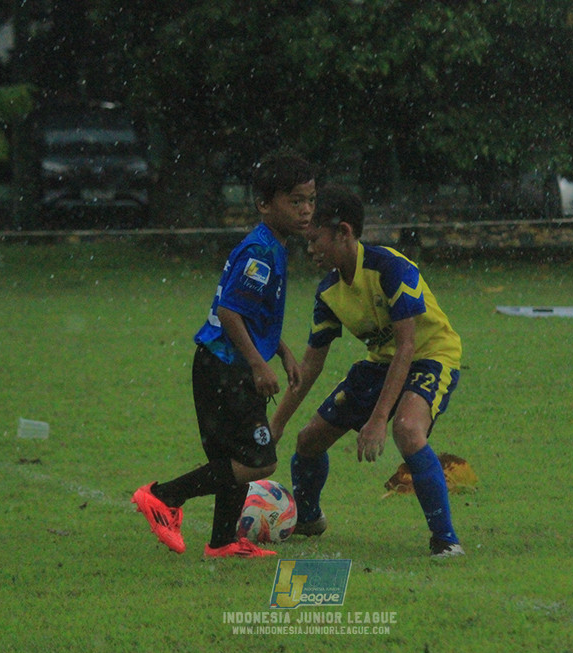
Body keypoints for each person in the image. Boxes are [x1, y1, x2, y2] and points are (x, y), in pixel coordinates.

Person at [132, 149, 316, 558]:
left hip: (221, 364)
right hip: (227, 367)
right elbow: (230, 311)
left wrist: (282, 351)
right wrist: (257, 362)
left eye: (310, 200)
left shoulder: (272, 245)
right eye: (295, 201)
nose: (306, 211)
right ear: (265, 204)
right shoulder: (262, 252)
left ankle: (223, 541)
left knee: (230, 457)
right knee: (259, 460)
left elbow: (253, 314)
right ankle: (164, 497)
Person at [269, 184, 464, 558]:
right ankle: (308, 519)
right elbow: (311, 363)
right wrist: (277, 424)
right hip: (381, 364)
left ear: (344, 232)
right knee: (308, 440)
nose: (308, 249)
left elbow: (407, 345)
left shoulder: (390, 267)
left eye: (314, 240)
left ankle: (446, 540)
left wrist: (378, 420)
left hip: (430, 356)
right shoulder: (328, 291)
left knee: (407, 429)